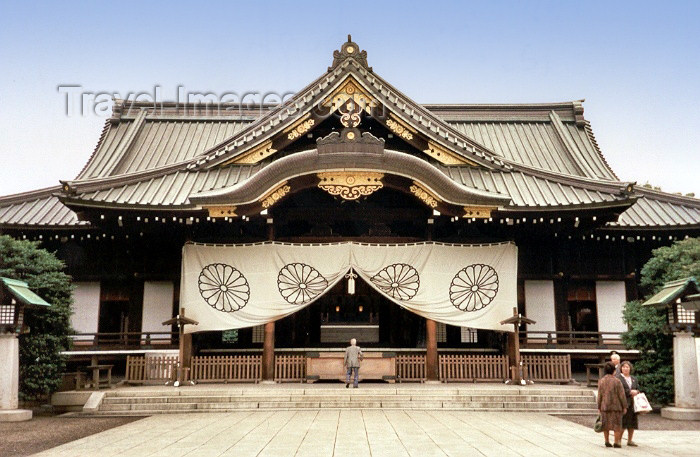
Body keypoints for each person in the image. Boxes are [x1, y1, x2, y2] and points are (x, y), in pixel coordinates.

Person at [597, 361, 627, 448]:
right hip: (616, 406)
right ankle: (616, 442)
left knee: (605, 424)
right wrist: (624, 406)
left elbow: (600, 395)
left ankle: (607, 441)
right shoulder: (617, 381)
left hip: (605, 405)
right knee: (617, 425)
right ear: (614, 371)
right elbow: (621, 395)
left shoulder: (601, 381)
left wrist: (599, 406)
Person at [617, 361, 640, 447]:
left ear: (630, 368)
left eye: (627, 367)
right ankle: (618, 439)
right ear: (621, 368)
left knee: (633, 422)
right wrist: (629, 392)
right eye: (624, 367)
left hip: (633, 402)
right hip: (624, 402)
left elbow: (638, 388)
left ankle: (630, 440)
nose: (625, 369)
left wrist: (636, 391)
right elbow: (619, 390)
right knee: (623, 422)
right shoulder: (618, 378)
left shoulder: (634, 378)